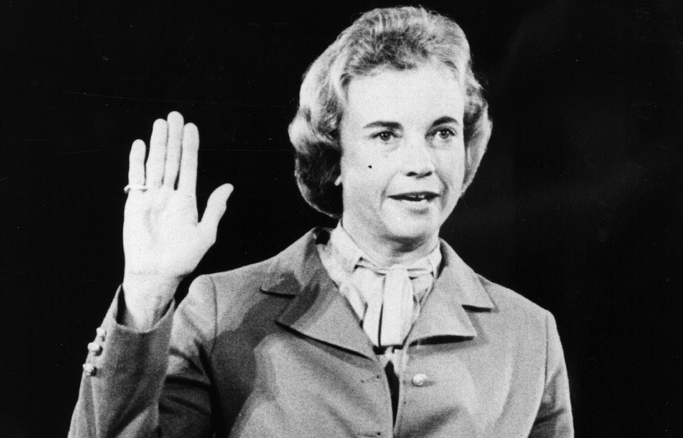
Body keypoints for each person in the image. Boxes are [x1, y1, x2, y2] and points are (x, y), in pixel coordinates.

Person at [69, 6, 573, 437]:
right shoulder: (222, 310)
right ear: (334, 156)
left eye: (441, 132)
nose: (420, 161)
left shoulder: (530, 335)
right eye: (385, 135)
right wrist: (146, 292)